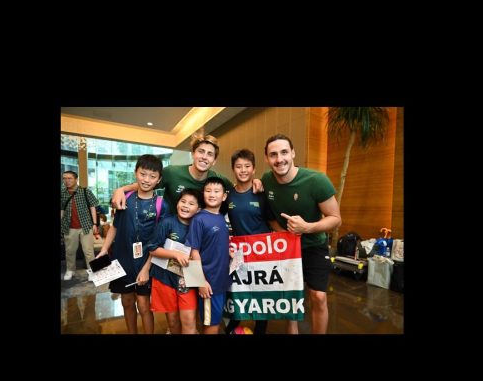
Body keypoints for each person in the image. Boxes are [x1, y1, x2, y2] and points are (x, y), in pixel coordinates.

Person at [262, 134, 341, 334]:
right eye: (273, 154)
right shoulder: (266, 180)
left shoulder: (316, 180)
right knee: (290, 298)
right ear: (267, 159)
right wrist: (285, 234)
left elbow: (335, 219)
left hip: (314, 246)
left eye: (284, 152)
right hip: (286, 248)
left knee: (319, 297)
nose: (279, 159)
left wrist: (306, 227)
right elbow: (270, 218)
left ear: (293, 153)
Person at [96, 154, 169, 334]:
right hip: (122, 258)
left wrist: (146, 268)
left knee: (144, 305)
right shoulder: (125, 197)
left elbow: (160, 242)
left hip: (146, 260)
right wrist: (104, 250)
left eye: (152, 176)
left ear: (159, 179)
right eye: (143, 174)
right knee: (127, 302)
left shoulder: (161, 205)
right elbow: (115, 227)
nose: (146, 180)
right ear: (136, 172)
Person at [109, 131, 262, 215]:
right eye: (201, 151)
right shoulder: (172, 172)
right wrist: (121, 189)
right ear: (193, 154)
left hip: (201, 234)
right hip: (171, 233)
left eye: (209, 154)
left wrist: (255, 181)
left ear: (214, 161)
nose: (204, 157)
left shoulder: (218, 179)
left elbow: (237, 189)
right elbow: (147, 184)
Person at [224, 149, 271, 335]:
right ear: (233, 169)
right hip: (239, 253)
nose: (243, 170)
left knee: (261, 295)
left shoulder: (261, 192)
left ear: (254, 169)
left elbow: (272, 221)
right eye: (238, 166)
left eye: (247, 166)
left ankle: (260, 330)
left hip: (263, 253)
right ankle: (233, 326)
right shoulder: (228, 196)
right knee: (239, 291)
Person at [147, 188, 202, 335]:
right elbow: (152, 249)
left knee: (189, 320)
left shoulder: (199, 225)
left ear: (198, 209)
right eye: (183, 201)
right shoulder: (167, 223)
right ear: (177, 203)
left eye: (191, 203)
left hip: (189, 278)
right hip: (165, 277)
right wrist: (175, 254)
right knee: (172, 321)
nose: (185, 206)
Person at [184, 178, 231, 335]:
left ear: (224, 196)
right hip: (208, 283)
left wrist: (228, 253)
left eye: (216, 191)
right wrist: (201, 282)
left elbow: (214, 244)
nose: (212, 194)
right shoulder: (199, 219)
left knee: (215, 322)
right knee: (211, 325)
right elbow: (193, 252)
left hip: (220, 281)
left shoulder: (221, 218)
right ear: (203, 193)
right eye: (208, 191)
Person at [60, 170, 100, 280]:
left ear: (76, 179)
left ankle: (92, 271)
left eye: (69, 178)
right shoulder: (62, 193)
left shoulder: (85, 191)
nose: (66, 181)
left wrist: (95, 223)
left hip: (85, 226)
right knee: (70, 251)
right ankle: (70, 270)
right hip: (69, 227)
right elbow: (62, 209)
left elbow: (93, 207)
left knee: (88, 251)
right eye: (64, 178)